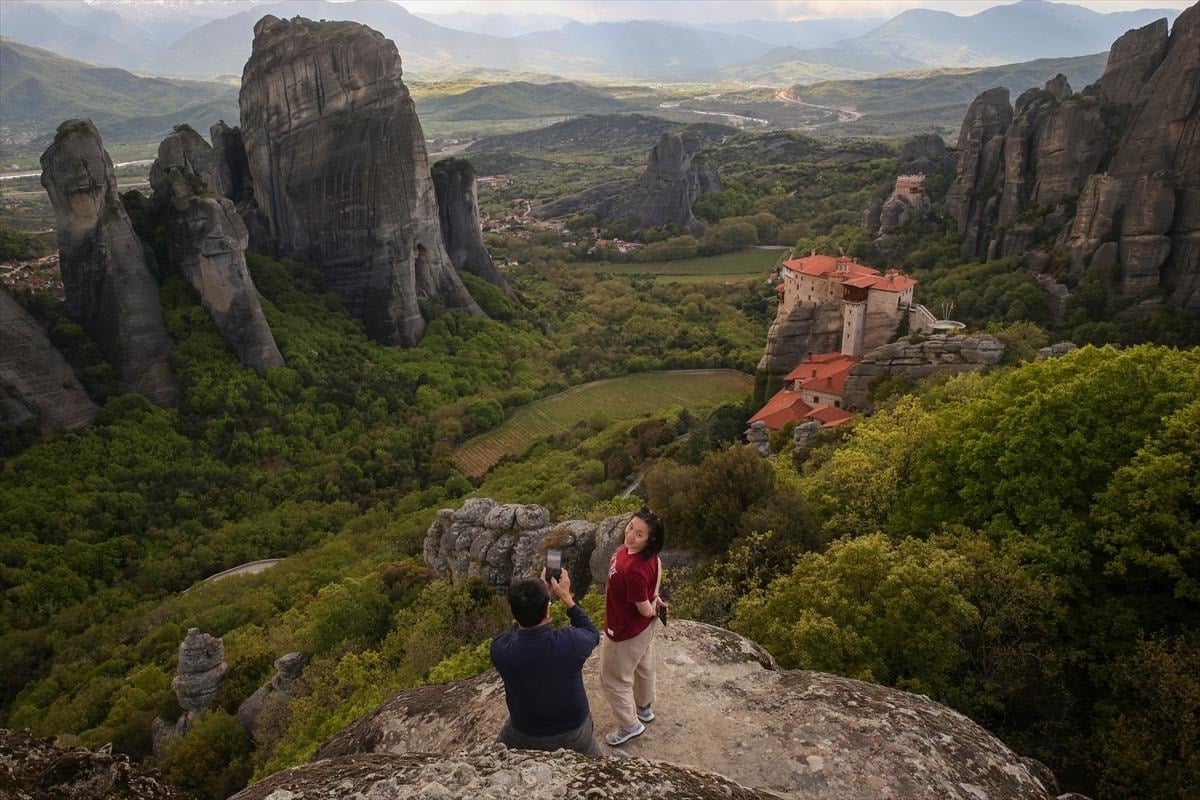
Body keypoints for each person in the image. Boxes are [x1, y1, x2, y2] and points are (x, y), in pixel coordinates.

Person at [490, 567, 601, 756]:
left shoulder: (500, 650)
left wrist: (531, 606)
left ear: (515, 614)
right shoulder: (571, 642)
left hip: (525, 734)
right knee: (596, 765)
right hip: (574, 732)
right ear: (548, 611)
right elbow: (591, 632)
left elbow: (515, 629)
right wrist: (566, 597)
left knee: (494, 757)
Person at [600, 506, 667, 746]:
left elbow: (645, 609)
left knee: (613, 678)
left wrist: (652, 608)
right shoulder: (650, 558)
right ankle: (644, 708)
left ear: (650, 539)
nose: (630, 535)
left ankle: (630, 725)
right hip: (642, 629)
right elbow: (653, 588)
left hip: (625, 630)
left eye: (639, 534)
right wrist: (655, 601)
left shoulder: (633, 570)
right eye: (630, 527)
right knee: (643, 665)